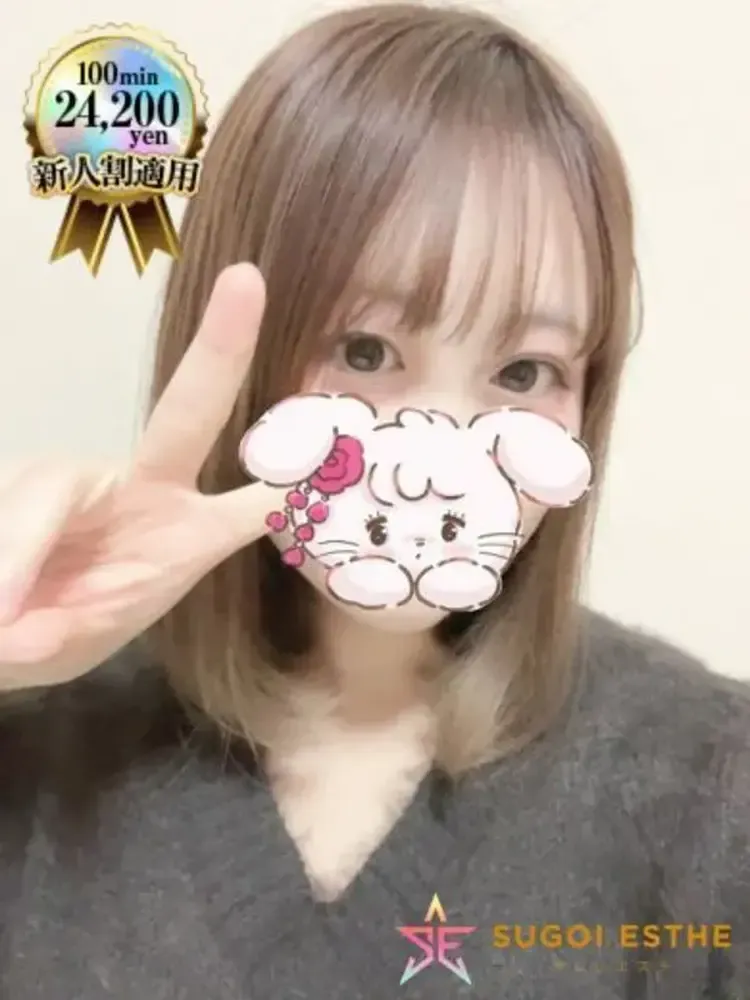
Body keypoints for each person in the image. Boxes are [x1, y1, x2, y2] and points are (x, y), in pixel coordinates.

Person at [0, 3, 748, 998]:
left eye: (524, 372)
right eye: (365, 351)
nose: (436, 452)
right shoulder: (39, 742)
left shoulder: (712, 782)